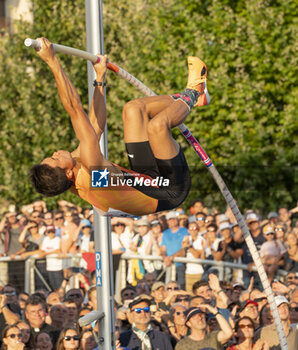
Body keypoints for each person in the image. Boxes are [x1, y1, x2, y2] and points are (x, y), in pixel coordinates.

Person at [30, 37, 210, 217]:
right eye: (55, 159)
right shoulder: (94, 174)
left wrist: (99, 79)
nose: (55, 153)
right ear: (68, 173)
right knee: (157, 126)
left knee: (133, 109)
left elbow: (96, 126)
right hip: (170, 189)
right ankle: (195, 91)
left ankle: (190, 99)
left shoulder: (77, 165)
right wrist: (51, 61)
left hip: (145, 178)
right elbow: (74, 108)